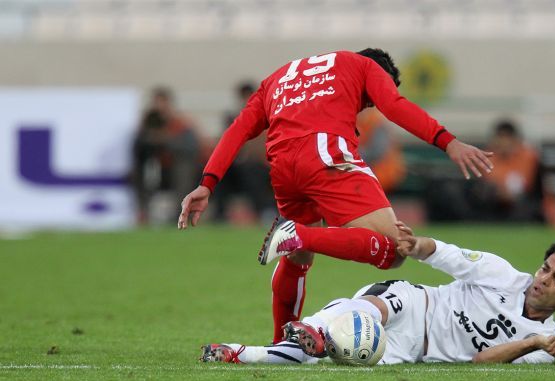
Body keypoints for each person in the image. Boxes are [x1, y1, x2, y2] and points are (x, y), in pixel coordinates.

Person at [178, 49, 493, 344]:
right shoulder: (364, 66)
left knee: (298, 259)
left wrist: (207, 183)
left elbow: (238, 129)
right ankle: (298, 235)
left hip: (282, 167)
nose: (368, 106)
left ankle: (282, 344)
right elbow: (395, 105)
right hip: (326, 154)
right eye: (370, 100)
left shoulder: (277, 78)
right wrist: (449, 142)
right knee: (395, 248)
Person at [199, 222, 555, 365]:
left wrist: (531, 343)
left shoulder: (543, 345)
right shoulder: (502, 274)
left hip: (411, 350)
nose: (543, 280)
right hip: (416, 304)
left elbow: (481, 360)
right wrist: (416, 245)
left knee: (323, 359)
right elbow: (449, 255)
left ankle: (240, 353)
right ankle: (316, 329)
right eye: (545, 268)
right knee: (369, 308)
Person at [132, 87, 202, 224]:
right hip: (154, 167)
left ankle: (180, 212)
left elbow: (191, 148)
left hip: (174, 167)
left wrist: (166, 140)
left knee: (183, 169)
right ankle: (143, 212)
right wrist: (150, 139)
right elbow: (137, 149)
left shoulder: (180, 124)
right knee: (138, 171)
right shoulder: (147, 124)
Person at [212, 81, 276, 223]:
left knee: (252, 172)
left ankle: (263, 210)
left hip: (261, 164)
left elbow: (263, 146)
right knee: (222, 173)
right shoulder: (235, 118)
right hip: (241, 165)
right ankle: (219, 212)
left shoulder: (267, 117)